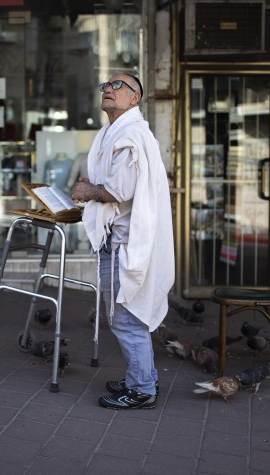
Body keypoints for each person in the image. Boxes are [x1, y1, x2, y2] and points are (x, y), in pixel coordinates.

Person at [71, 73, 174, 410]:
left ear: (135, 98)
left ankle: (142, 388)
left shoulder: (131, 133)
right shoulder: (116, 132)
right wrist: (95, 186)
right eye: (105, 86)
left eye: (118, 86)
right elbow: (115, 183)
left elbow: (121, 190)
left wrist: (89, 191)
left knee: (125, 318)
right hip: (117, 241)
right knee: (126, 316)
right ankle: (142, 377)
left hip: (123, 245)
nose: (109, 90)